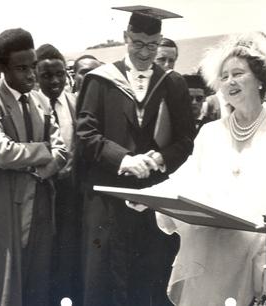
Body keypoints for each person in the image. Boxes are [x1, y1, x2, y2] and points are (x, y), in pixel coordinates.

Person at [147, 33, 266, 305]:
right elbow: (188, 176)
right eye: (224, 76)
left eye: (238, 73)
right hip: (215, 251)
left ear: (260, 80)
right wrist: (150, 196)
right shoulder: (209, 132)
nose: (229, 82)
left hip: (265, 250)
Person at [76, 5, 195, 306]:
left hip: (154, 198)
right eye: (138, 43)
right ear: (125, 37)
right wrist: (124, 159)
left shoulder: (172, 83)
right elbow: (86, 134)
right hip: (108, 195)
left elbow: (185, 140)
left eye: (152, 45)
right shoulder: (100, 80)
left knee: (149, 276)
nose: (145, 52)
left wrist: (159, 159)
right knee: (105, 277)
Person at [0, 28, 68, 306]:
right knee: (5, 286)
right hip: (4, 206)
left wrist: (39, 169)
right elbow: (2, 152)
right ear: (2, 68)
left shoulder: (41, 100)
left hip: (40, 203)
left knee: (38, 283)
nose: (30, 75)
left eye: (33, 67)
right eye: (22, 68)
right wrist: (43, 151)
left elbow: (62, 151)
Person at [35, 43, 81, 306]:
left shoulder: (74, 102)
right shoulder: (32, 103)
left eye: (60, 74)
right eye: (46, 75)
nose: (54, 81)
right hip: (43, 189)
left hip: (71, 190)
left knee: (68, 250)